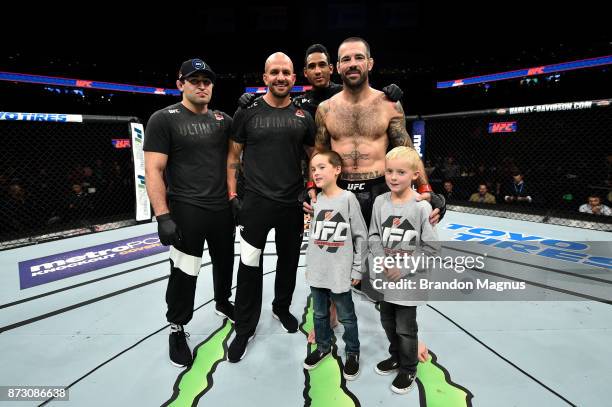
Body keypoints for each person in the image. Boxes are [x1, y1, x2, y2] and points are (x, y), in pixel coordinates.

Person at [144, 58, 235, 368]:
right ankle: (177, 326)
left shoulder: (224, 119)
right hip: (185, 209)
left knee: (225, 263)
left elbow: (237, 157)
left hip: (222, 207)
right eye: (194, 79)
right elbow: (153, 170)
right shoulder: (163, 118)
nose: (201, 85)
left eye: (207, 80)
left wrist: (250, 109)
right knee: (184, 273)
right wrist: (163, 216)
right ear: (180, 83)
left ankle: (223, 303)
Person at [226, 52, 316, 362]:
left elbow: (314, 156)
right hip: (255, 204)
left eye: (286, 72)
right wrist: (232, 195)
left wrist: (312, 187)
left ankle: (281, 307)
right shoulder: (247, 113)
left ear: (294, 78)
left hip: (291, 203)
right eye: (274, 72)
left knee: (289, 261)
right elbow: (232, 157)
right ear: (265, 77)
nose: (280, 77)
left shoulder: (303, 116)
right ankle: (244, 326)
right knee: (249, 266)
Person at [369, 146, 439, 394]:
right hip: (386, 277)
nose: (394, 177)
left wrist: (403, 268)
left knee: (405, 328)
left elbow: (431, 248)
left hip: (409, 280)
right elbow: (374, 234)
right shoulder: (379, 202)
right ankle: (396, 355)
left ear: (414, 175)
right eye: (389, 171)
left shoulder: (421, 207)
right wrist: (383, 262)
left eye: (400, 172)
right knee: (387, 320)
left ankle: (409, 368)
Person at [303, 150, 367, 380]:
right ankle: (323, 346)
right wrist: (310, 266)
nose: (316, 172)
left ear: (337, 169)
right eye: (313, 169)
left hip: (339, 272)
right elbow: (314, 238)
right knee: (319, 314)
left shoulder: (348, 199)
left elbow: (361, 235)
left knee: (347, 316)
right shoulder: (316, 200)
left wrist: (358, 268)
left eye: (321, 167)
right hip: (318, 272)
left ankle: (353, 352)